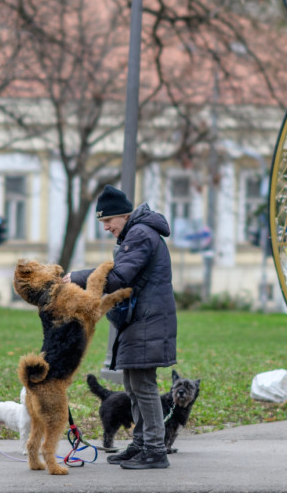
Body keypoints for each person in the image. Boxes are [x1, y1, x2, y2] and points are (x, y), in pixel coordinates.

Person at [63, 184, 177, 470]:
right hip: (142, 319)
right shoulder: (138, 233)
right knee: (132, 383)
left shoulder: (139, 233)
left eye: (107, 221)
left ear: (123, 215)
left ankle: (154, 450)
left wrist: (77, 277)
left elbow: (118, 276)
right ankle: (140, 444)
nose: (105, 228)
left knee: (143, 385)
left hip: (147, 319)